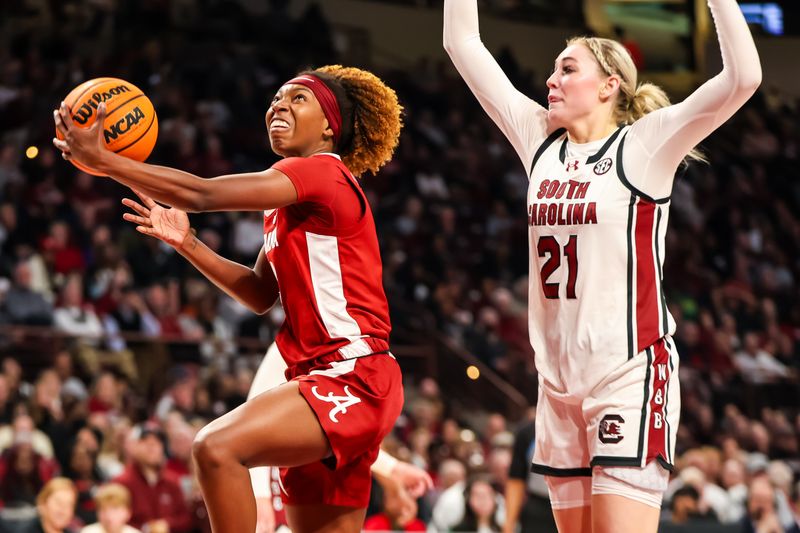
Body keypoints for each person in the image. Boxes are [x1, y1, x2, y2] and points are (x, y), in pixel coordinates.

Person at [443, 1, 761, 532]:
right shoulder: (540, 140)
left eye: (568, 69)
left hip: (628, 373)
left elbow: (743, 77)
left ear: (610, 85)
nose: (551, 79)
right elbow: (462, 44)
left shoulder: (643, 144)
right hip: (557, 385)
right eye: (553, 69)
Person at [54, 65, 405, 533]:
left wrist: (107, 162)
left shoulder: (322, 172)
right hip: (331, 379)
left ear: (329, 126)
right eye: (275, 98)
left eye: (297, 98)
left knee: (215, 448)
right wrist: (188, 244)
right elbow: (260, 294)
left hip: (352, 375)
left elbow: (200, 193)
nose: (278, 105)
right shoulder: (288, 205)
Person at [246, 343, 433, 533]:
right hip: (284, 472)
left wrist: (392, 470)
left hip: (330, 477)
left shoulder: (365, 349)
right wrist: (260, 494)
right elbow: (253, 422)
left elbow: (347, 438)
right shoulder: (290, 343)